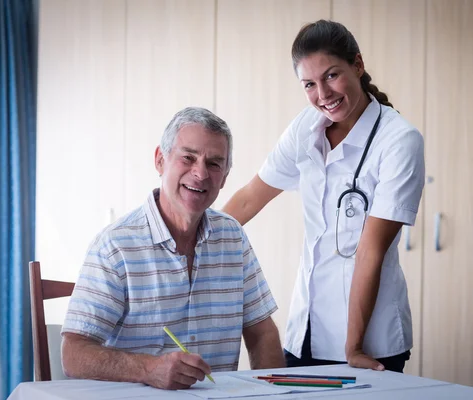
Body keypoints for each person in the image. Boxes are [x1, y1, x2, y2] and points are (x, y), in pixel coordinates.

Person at [222, 20, 425, 372]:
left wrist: (354, 347)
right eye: (309, 84)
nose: (323, 94)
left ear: (357, 66)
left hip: (369, 341)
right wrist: (194, 235)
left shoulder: (398, 141)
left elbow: (370, 250)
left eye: (331, 76)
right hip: (307, 330)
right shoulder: (306, 128)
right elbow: (250, 197)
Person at [61, 107, 285, 390]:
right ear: (160, 160)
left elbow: (262, 333)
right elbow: (73, 354)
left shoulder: (233, 237)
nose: (201, 174)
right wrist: (147, 369)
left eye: (214, 163)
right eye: (188, 158)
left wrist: (272, 393)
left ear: (225, 177)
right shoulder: (115, 245)